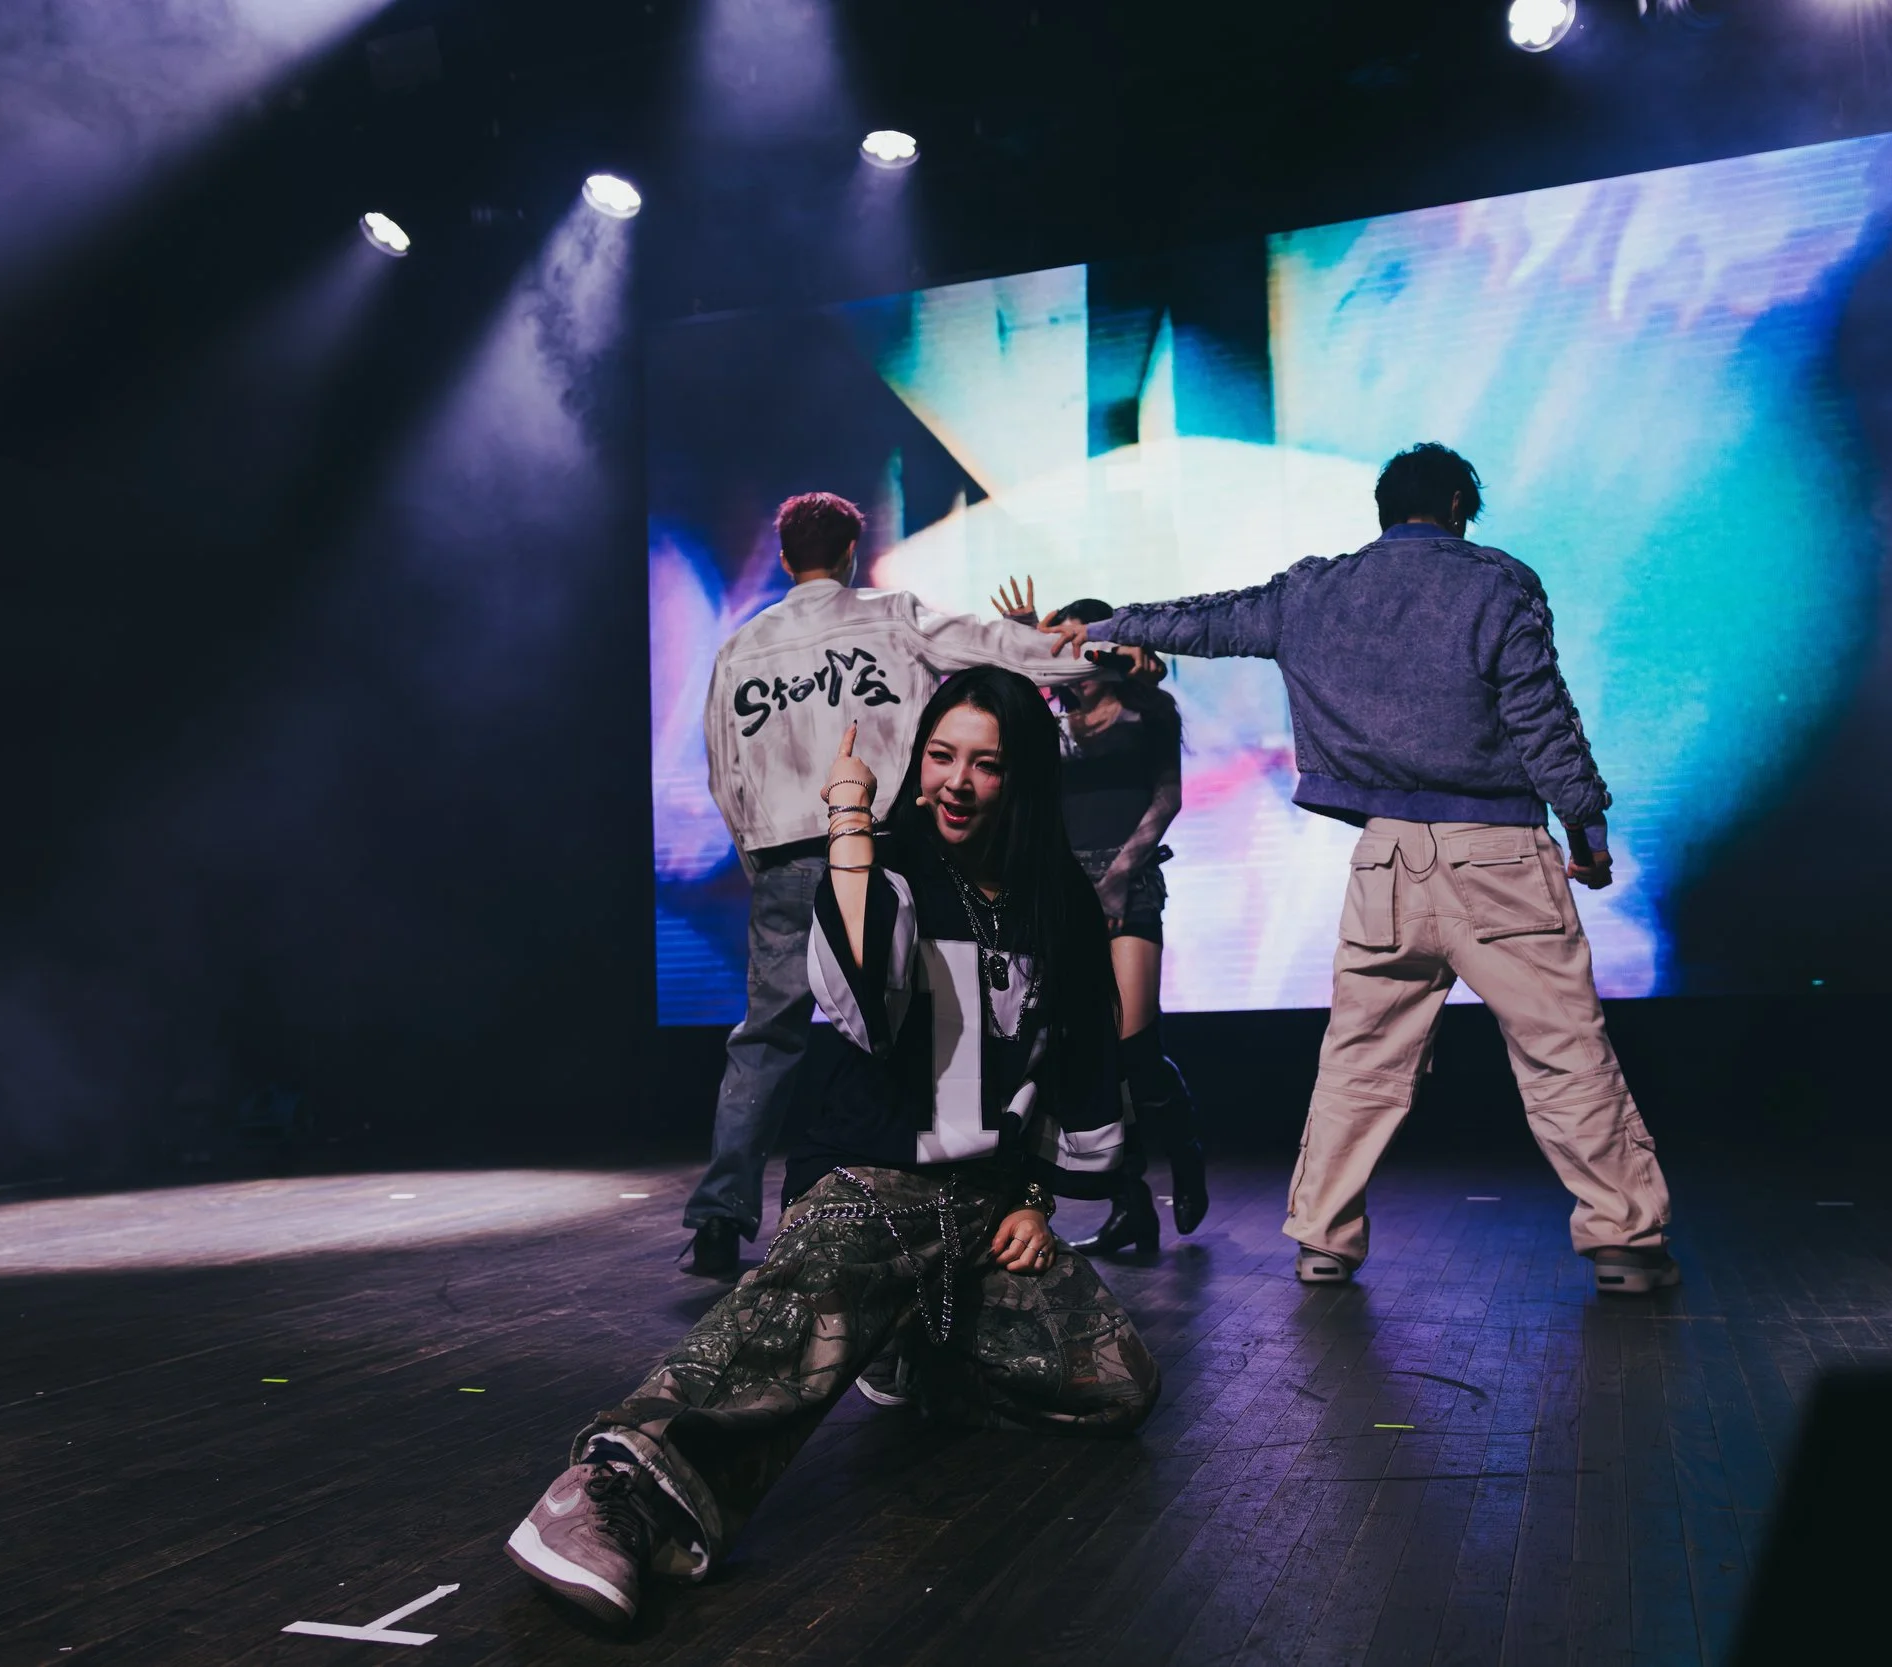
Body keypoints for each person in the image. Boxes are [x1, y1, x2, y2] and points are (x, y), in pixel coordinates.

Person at [507, 669, 1161, 1630]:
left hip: (983, 1203)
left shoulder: (1054, 894)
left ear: (1021, 776)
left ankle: (905, 1341)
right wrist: (851, 821)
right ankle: (612, 1492)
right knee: (788, 1324)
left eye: (986, 764)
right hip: (875, 1178)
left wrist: (1035, 1196)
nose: (957, 782)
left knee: (1116, 1384)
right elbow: (862, 999)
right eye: (940, 756)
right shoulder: (887, 864)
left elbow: (1067, 1059)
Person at [1042, 443, 1678, 1295]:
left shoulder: (1314, 591)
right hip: (1496, 855)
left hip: (1386, 861)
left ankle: (1323, 1240)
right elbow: (1539, 712)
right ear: (1458, 506)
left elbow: (1207, 618)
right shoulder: (1496, 582)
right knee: (1564, 1055)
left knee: (1359, 1065)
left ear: (1383, 511)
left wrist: (1103, 627)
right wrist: (1586, 826)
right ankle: (1625, 1244)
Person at [685, 493, 1096, 1278]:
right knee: (907, 1028)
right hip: (888, 847)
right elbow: (993, 646)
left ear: (784, 557)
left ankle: (718, 1216)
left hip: (783, 853)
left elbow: (722, 768)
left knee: (767, 1037)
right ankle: (919, 1194)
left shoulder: (741, 645)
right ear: (850, 552)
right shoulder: (892, 615)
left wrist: (756, 857)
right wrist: (1084, 653)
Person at [992, 582, 1207, 1256]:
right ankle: (1130, 1203)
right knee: (1084, 1054)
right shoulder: (1049, 724)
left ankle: (1185, 1150)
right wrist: (1025, 643)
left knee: (1133, 1046)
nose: (1072, 660)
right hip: (1061, 891)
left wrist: (1115, 880)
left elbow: (1167, 799)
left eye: (1078, 645)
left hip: (1128, 883)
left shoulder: (1147, 712)